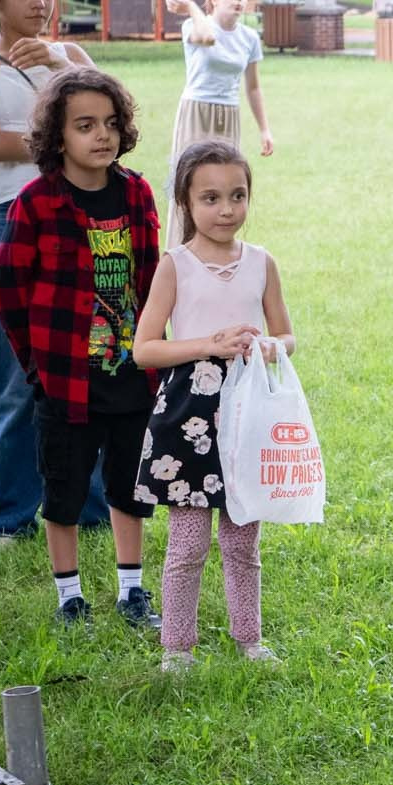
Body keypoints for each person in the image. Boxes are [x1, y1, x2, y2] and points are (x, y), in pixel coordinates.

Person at [0, 67, 163, 631]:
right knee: (62, 490)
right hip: (65, 378)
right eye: (85, 125)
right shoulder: (37, 203)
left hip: (132, 374)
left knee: (128, 486)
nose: (102, 136)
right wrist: (35, 366)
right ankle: (70, 596)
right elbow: (8, 291)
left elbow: (154, 277)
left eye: (111, 123)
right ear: (57, 135)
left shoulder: (136, 192)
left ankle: (131, 591)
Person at [0, 0, 105, 540]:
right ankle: (6, 515)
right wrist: (73, 138)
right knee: (15, 374)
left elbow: (112, 122)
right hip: (9, 221)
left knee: (90, 364)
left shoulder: (70, 55)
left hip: (84, 218)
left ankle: (88, 506)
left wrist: (64, 71)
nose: (40, 2)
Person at [132, 139, 297, 672]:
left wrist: (265, 347)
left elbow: (287, 336)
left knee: (243, 540)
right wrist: (210, 344)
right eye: (210, 198)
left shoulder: (262, 263)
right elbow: (144, 349)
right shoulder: (175, 265)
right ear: (185, 202)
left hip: (248, 410)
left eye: (237, 196)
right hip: (189, 413)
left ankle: (249, 638)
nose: (226, 210)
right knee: (186, 545)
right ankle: (177, 648)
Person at [164, 0, 275, 161]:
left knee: (225, 180)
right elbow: (207, 38)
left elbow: (253, 88)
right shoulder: (193, 25)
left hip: (229, 113)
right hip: (196, 110)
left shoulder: (249, 37)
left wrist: (264, 130)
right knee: (191, 178)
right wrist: (192, 7)